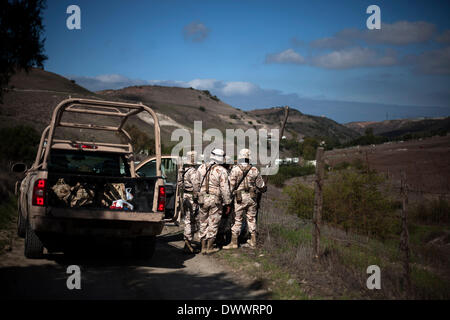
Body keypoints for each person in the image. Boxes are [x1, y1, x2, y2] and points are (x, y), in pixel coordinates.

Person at [223, 148, 266, 250]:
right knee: (251, 218)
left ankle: (234, 242)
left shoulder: (235, 169)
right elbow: (261, 185)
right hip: (252, 197)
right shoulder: (254, 170)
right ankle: (253, 240)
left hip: (239, 198)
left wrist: (229, 198)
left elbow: (231, 186)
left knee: (238, 219)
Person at [194, 148, 232, 255]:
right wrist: (228, 202)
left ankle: (202, 247)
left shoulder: (201, 167)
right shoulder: (222, 171)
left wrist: (196, 196)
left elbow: (195, 184)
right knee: (213, 222)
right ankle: (209, 247)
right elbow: (225, 189)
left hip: (202, 199)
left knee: (203, 222)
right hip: (215, 200)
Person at [177, 151, 200, 253]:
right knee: (191, 220)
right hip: (192, 197)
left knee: (187, 219)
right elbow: (196, 187)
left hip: (185, 195)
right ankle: (188, 243)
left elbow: (180, 184)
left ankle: (187, 242)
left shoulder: (182, 171)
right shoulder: (193, 172)